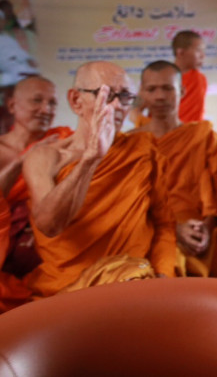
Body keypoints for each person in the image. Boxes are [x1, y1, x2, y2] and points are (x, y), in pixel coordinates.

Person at [22, 61, 176, 298]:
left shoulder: (143, 151)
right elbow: (49, 225)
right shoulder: (46, 157)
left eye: (124, 97)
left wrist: (163, 279)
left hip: (134, 285)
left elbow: (163, 223)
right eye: (105, 95)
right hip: (66, 290)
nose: (116, 106)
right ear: (76, 101)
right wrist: (91, 159)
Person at [130, 61, 217, 278]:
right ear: (142, 93)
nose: (159, 96)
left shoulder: (204, 138)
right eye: (152, 89)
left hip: (199, 234)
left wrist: (204, 229)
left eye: (168, 88)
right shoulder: (129, 143)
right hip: (146, 232)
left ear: (182, 91)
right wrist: (173, 230)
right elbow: (125, 205)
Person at [0, 77, 70, 310]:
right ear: (12, 106)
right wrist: (23, 161)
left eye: (52, 103)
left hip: (48, 245)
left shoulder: (61, 141)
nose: (46, 109)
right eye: (37, 101)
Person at [172, 30, 207, 122]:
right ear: (181, 53)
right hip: (166, 135)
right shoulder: (158, 77)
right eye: (198, 50)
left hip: (194, 134)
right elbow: (135, 111)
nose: (203, 56)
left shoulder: (200, 79)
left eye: (203, 51)